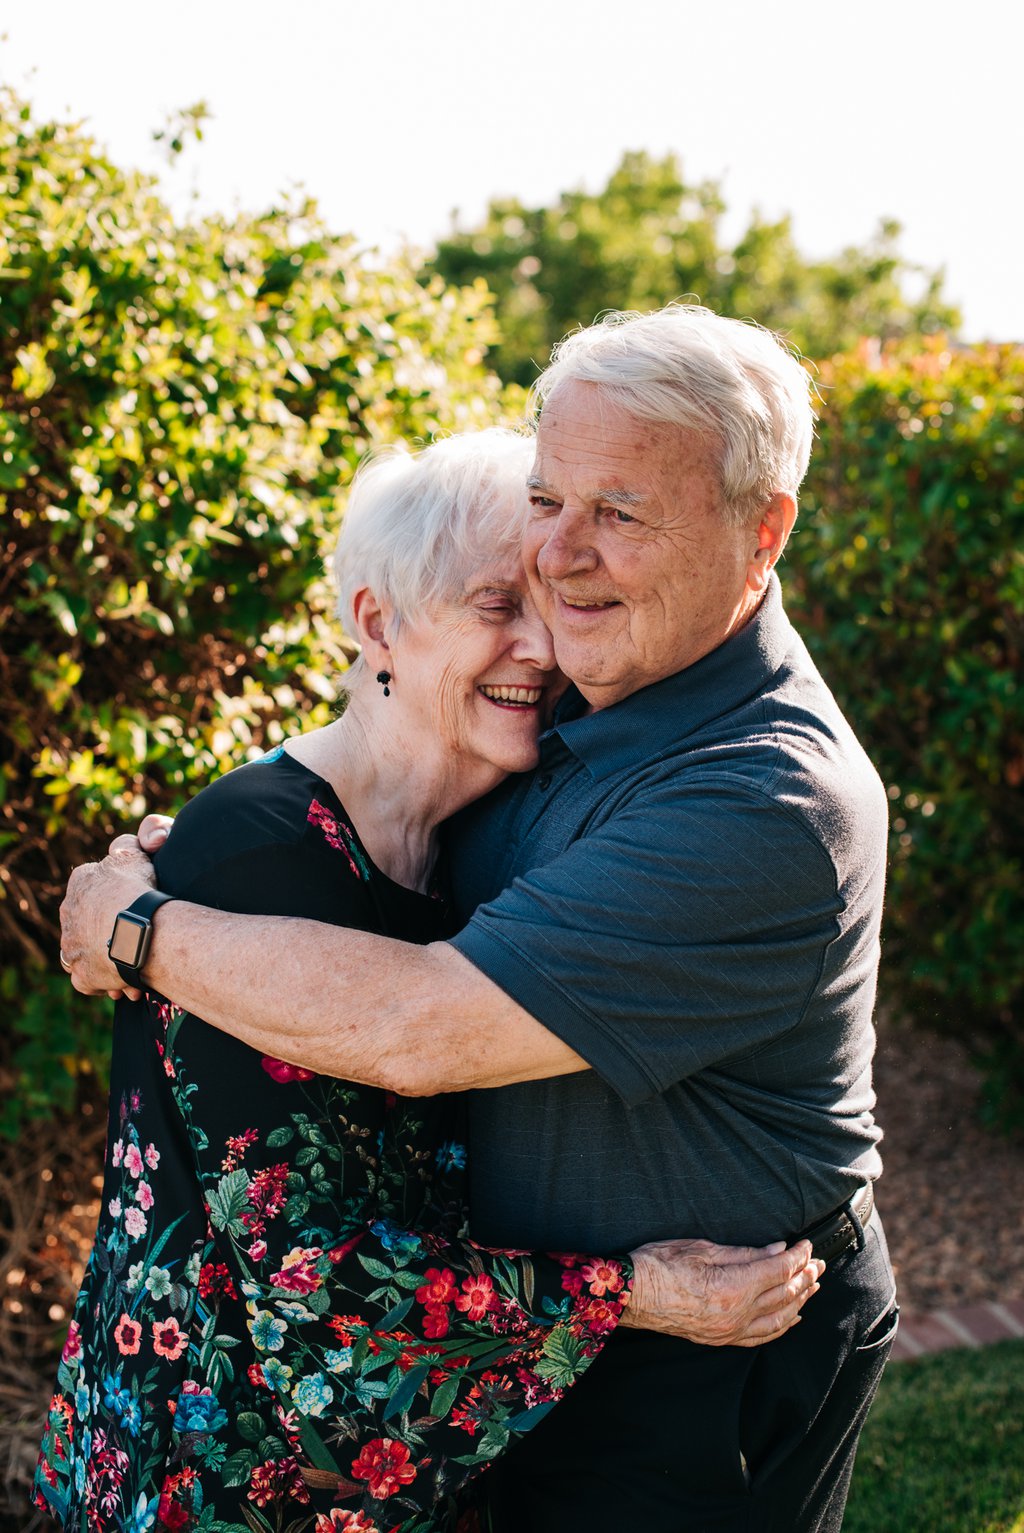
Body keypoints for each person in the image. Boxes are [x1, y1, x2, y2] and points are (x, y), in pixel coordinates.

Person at [60, 304, 890, 1532]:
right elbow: (315, 1283)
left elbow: (420, 1029)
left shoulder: (761, 798)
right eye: (548, 501)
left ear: (758, 532)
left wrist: (138, 931)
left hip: (712, 1354)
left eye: (619, 512)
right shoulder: (572, 700)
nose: (559, 563)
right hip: (371, 1409)